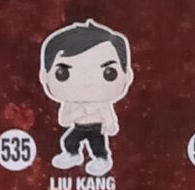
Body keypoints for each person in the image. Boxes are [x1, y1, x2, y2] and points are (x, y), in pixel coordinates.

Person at [40, 20, 134, 172]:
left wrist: (110, 125)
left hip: (96, 128)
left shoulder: (101, 103)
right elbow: (64, 120)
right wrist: (80, 112)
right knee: (69, 141)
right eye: (63, 73)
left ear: (127, 76)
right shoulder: (71, 102)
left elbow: (108, 115)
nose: (86, 83)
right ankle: (72, 154)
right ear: (45, 77)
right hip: (78, 127)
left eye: (109, 73)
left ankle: (101, 159)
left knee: (98, 145)